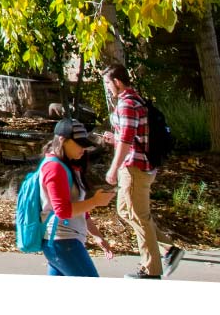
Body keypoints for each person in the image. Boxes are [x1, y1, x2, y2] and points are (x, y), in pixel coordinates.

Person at [101, 63, 183, 279]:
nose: (108, 88)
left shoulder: (127, 104)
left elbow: (128, 140)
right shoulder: (138, 101)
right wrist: (114, 140)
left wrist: (113, 168)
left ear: (117, 82)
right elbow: (132, 138)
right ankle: (168, 250)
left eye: (108, 84)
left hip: (135, 168)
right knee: (125, 211)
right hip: (140, 166)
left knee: (139, 216)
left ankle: (151, 269)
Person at [37, 119, 116, 277]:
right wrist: (95, 201)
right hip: (63, 242)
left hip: (62, 242)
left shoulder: (68, 166)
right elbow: (63, 211)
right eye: (79, 143)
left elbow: (79, 209)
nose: (84, 148)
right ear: (62, 140)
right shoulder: (55, 168)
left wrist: (97, 236)